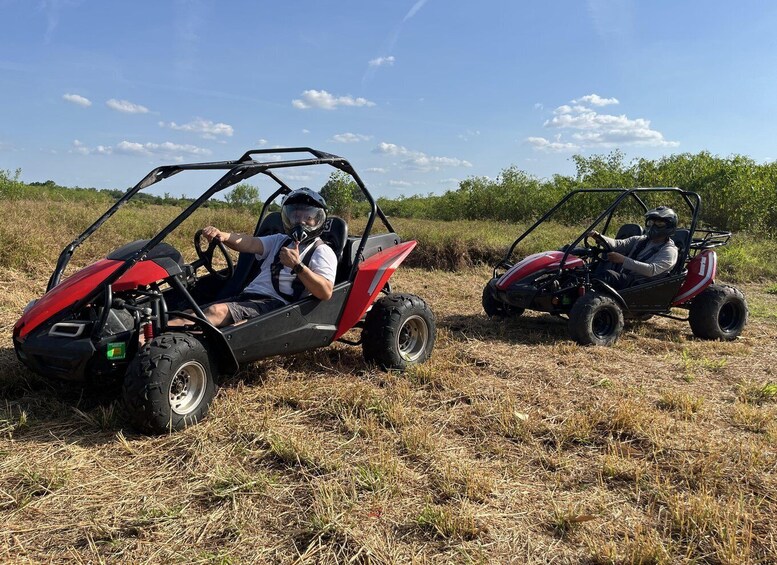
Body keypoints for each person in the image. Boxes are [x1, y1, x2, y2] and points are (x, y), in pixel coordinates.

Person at [169, 188, 337, 328]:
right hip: (249, 297)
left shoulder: (321, 251)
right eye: (295, 216)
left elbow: (325, 292)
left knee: (216, 312)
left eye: (308, 218)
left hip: (277, 306)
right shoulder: (279, 240)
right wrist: (222, 235)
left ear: (318, 220)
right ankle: (149, 338)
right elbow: (249, 243)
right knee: (192, 314)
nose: (300, 222)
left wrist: (297, 266)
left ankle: (151, 340)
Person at [587, 206, 679, 290]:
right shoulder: (640, 240)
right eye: (651, 222)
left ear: (669, 226)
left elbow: (651, 270)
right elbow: (617, 244)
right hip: (628, 279)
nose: (653, 226)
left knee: (608, 276)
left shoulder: (669, 250)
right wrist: (598, 236)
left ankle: (588, 301)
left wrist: (623, 260)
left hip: (643, 286)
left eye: (659, 223)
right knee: (586, 272)